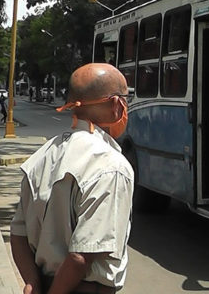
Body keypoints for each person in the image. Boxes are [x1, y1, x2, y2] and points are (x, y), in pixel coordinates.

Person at [11, 63, 133, 294]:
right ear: (117, 105)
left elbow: (18, 234)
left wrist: (32, 283)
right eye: (126, 99)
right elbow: (80, 256)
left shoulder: (43, 155)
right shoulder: (110, 165)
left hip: (44, 282)